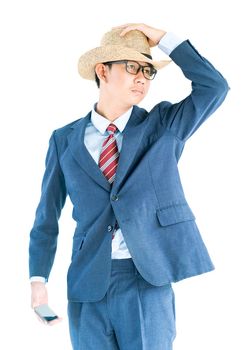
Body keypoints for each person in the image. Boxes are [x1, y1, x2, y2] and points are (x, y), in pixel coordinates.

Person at [29, 23, 229, 350]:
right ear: (102, 71)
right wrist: (38, 279)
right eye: (132, 66)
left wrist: (164, 39)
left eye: (148, 71)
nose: (141, 77)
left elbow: (214, 87)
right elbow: (46, 217)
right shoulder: (63, 140)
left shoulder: (163, 126)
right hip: (86, 282)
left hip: (146, 277)